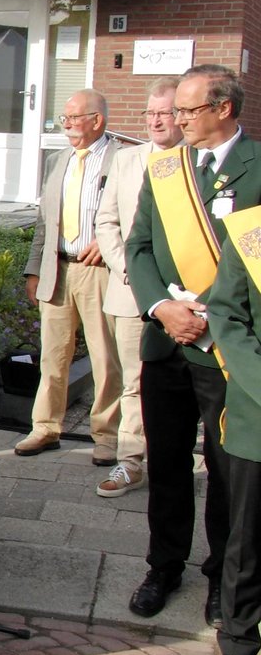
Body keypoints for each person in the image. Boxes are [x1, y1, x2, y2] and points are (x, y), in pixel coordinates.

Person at [125, 63, 261, 626]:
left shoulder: (258, 168)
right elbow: (139, 247)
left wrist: (206, 316)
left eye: (187, 110)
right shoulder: (164, 169)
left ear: (224, 108)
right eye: (175, 110)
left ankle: (220, 579)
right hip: (167, 342)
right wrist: (164, 307)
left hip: (226, 348)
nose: (176, 120)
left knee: (229, 471)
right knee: (169, 460)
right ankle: (165, 564)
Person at [15, 89, 122, 466]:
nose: (68, 125)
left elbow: (136, 215)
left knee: (105, 358)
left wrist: (109, 243)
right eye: (64, 118)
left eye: (75, 118)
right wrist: (33, 269)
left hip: (98, 271)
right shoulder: (58, 160)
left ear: (98, 120)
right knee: (53, 356)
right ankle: (45, 427)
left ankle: (107, 436)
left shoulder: (121, 159)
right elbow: (45, 221)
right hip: (56, 268)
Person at [92, 78, 183, 497]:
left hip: (188, 297)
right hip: (131, 291)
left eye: (165, 112)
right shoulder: (128, 160)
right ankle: (130, 463)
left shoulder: (197, 161)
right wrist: (128, 266)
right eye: (149, 113)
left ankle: (174, 459)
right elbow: (106, 221)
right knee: (134, 381)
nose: (156, 121)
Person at [206, 205, 261, 655]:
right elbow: (226, 313)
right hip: (259, 413)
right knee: (246, 538)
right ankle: (239, 647)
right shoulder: (251, 232)